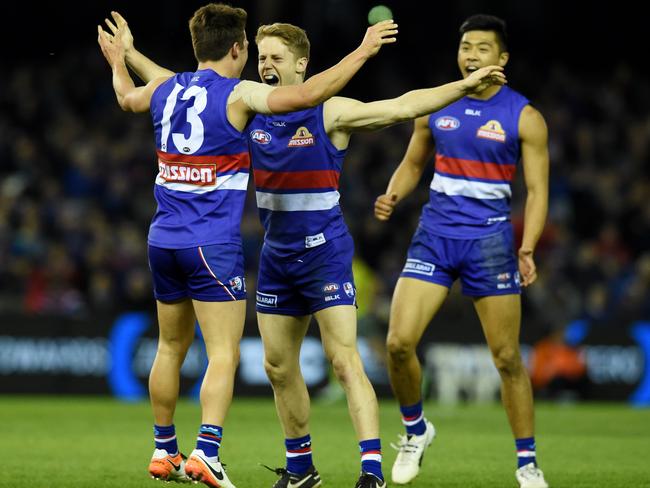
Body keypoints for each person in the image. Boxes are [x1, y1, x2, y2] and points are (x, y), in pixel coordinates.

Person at [111, 15, 504, 488]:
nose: (267, 65)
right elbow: (185, 87)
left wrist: (463, 86)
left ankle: (371, 470)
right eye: (261, 58)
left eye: (277, 58)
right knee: (278, 367)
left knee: (343, 360)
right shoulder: (250, 106)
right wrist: (130, 56)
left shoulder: (329, 111)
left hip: (325, 253)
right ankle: (300, 469)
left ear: (302, 64)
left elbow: (402, 106)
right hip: (276, 257)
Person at [97, 5, 397, 488]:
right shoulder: (239, 95)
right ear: (237, 49)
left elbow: (129, 96)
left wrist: (121, 58)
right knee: (222, 355)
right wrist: (362, 51)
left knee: (170, 348)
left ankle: (163, 449)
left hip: (161, 240)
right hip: (210, 245)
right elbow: (304, 95)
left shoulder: (168, 90)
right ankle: (207, 453)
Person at [374, 14, 550, 488]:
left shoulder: (525, 116)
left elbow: (537, 190)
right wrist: (394, 192)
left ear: (502, 58)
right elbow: (413, 163)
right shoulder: (437, 106)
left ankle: (527, 464)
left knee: (507, 358)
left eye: (482, 48)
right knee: (397, 343)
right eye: (465, 47)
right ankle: (416, 431)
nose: (471, 55)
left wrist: (527, 247)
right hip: (434, 234)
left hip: (490, 241)